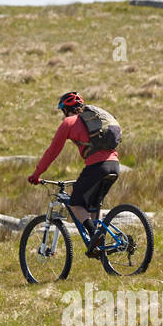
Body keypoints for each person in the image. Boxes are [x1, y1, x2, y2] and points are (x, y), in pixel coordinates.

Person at [27, 91, 120, 254]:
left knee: (75, 202)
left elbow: (52, 152)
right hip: (114, 165)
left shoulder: (69, 122)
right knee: (93, 204)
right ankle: (99, 246)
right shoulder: (95, 120)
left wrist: (36, 174)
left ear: (65, 110)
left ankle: (94, 235)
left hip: (96, 167)